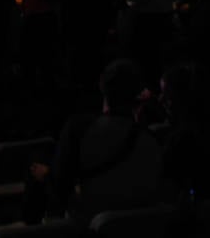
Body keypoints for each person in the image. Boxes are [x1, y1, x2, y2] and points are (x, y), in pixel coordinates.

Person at [29, 59, 165, 223]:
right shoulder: (151, 139)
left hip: (90, 227)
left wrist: (46, 177)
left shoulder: (79, 128)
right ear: (139, 92)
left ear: (102, 86)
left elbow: (60, 188)